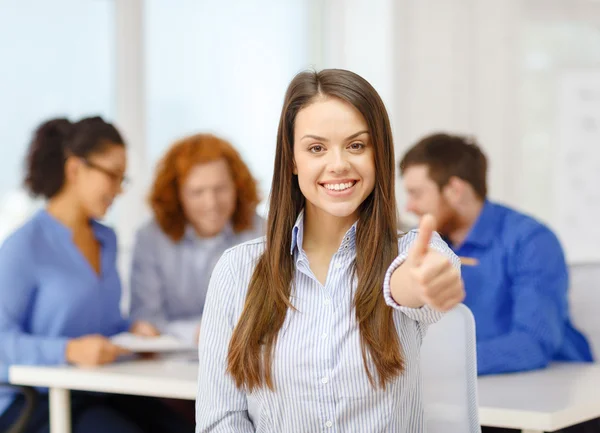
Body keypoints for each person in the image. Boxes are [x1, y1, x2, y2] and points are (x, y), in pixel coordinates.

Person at [195, 69, 465, 432]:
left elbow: (411, 281)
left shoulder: (414, 251)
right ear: (292, 160)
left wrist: (417, 284)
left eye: (356, 145)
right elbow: (220, 420)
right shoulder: (237, 269)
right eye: (316, 148)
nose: (338, 164)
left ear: (378, 154)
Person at [0, 117, 194, 433]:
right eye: (112, 175)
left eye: (123, 179)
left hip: (92, 389)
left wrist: (131, 331)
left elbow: (97, 324)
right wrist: (68, 350)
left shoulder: (107, 239)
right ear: (75, 169)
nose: (119, 190)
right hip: (33, 400)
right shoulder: (23, 246)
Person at [399, 133, 597, 433]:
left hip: (556, 403)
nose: (410, 207)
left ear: (455, 190)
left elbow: (533, 343)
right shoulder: (427, 246)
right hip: (472, 394)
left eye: (417, 194)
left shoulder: (531, 240)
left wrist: (441, 366)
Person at [129, 134, 264, 346]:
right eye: (197, 192)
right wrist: (199, 332)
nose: (211, 203)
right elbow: (146, 321)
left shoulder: (263, 233)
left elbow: (268, 315)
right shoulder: (151, 238)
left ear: (237, 187)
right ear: (177, 195)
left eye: (220, 189)